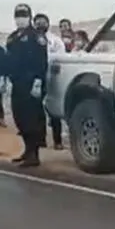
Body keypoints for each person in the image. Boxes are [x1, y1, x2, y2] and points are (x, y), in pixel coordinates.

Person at [5, 4, 48, 167]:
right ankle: (27, 149)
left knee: (32, 118)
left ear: (29, 16)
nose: (20, 18)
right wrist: (5, 78)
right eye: (17, 15)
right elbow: (8, 59)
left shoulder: (36, 36)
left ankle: (34, 154)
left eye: (23, 15)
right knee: (20, 117)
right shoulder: (12, 37)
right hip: (17, 82)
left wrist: (38, 80)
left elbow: (41, 60)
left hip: (31, 83)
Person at [34, 13, 66, 150]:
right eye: (38, 22)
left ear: (48, 23)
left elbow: (62, 59)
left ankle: (57, 141)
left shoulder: (56, 40)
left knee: (53, 111)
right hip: (36, 79)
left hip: (53, 78)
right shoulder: (32, 40)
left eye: (43, 22)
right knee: (37, 109)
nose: (41, 24)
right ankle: (41, 139)